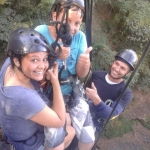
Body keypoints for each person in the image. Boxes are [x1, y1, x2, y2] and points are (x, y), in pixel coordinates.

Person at [0, 27, 75, 150]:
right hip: (27, 144)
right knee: (70, 130)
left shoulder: (9, 63)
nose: (42, 66)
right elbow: (59, 121)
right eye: (34, 60)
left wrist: (53, 55)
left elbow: (38, 66)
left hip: (16, 132)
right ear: (17, 61)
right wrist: (55, 81)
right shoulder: (22, 97)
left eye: (44, 59)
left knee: (68, 117)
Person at [35, 0, 95, 150]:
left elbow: (81, 75)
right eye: (67, 21)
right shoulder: (41, 32)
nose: (72, 28)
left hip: (71, 91)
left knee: (88, 137)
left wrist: (84, 64)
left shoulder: (80, 37)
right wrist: (55, 56)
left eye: (77, 23)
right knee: (55, 144)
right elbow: (32, 68)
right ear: (55, 15)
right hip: (48, 93)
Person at [85, 49, 138, 130]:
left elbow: (110, 114)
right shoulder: (95, 75)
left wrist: (95, 98)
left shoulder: (126, 93)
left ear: (128, 73)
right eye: (116, 64)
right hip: (80, 111)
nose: (117, 69)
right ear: (113, 62)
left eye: (123, 68)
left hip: (94, 124)